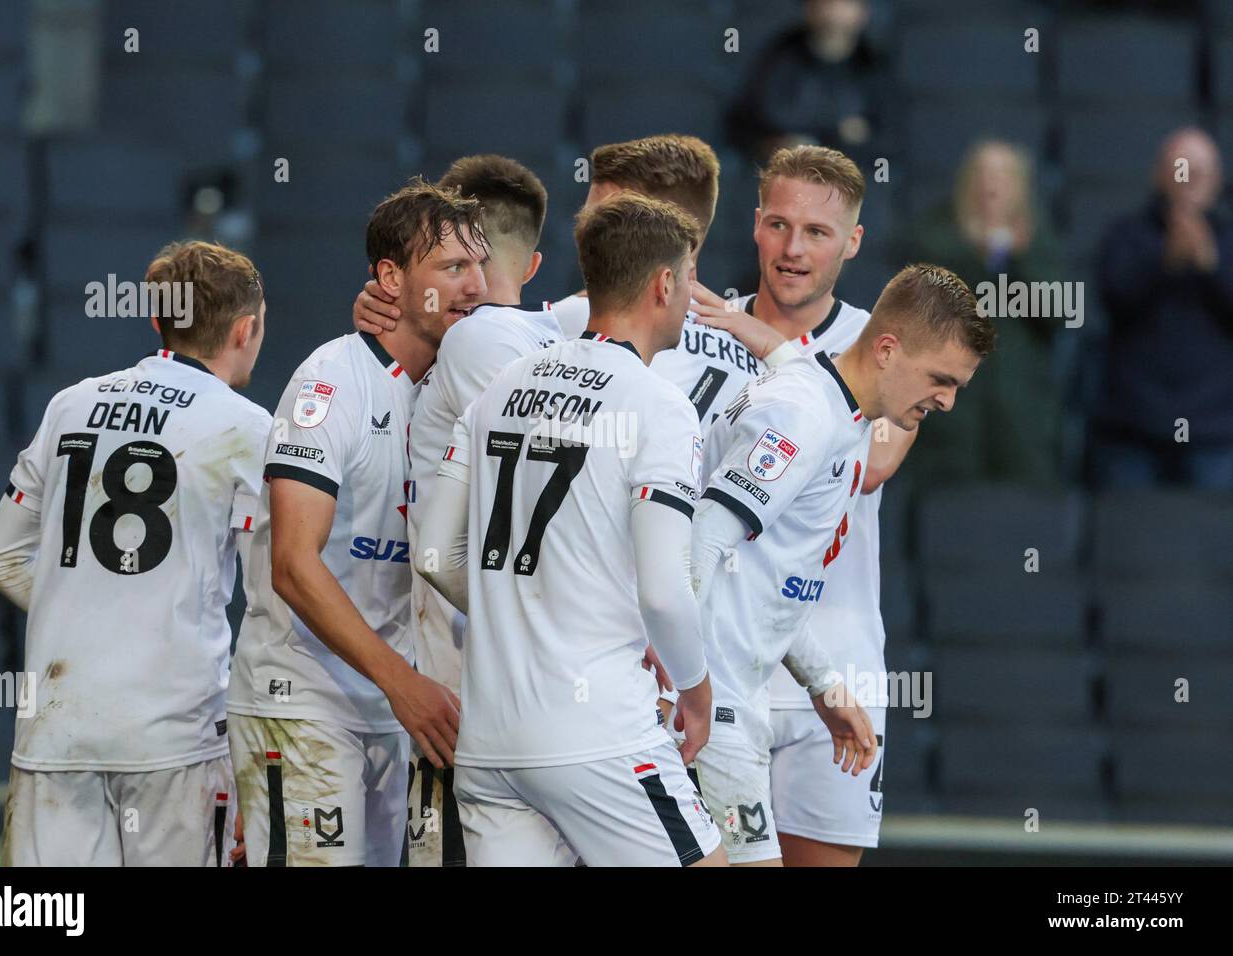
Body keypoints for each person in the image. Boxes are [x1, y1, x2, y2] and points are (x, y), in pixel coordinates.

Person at [417, 194, 727, 867]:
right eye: (689, 277)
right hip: (598, 734)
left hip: (492, 742)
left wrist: (520, 615)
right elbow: (666, 592)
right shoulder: (659, 405)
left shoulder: (499, 386)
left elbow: (435, 555)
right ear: (664, 283)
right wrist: (698, 692)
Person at [689, 263, 996, 866]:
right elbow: (702, 538)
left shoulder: (840, 414)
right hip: (713, 702)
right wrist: (681, 680)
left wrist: (824, 684)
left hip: (731, 694)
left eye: (958, 385)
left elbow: (768, 582)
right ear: (887, 349)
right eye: (941, 379)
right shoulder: (806, 416)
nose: (949, 401)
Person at [0, 240, 271, 866]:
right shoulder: (248, 428)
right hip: (175, 735)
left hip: (56, 732)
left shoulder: (69, 405)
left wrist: (88, 601)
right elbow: (278, 595)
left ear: (157, 320)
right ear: (246, 329)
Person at [225, 180, 486, 866]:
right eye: (453, 267)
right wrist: (405, 683)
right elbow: (292, 565)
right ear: (391, 279)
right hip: (302, 702)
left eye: (480, 266)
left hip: (387, 714)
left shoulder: (452, 395)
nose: (476, 286)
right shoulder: (330, 382)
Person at [402, 154, 556, 867]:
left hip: (467, 686)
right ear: (533, 266)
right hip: (536, 690)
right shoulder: (563, 342)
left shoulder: (481, 338)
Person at [899, 139, 1063, 486]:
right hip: (951, 410)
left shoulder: (1039, 242)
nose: (992, 184)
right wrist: (978, 253)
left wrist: (1016, 258)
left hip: (1020, 408)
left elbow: (1059, 314)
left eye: (1003, 174)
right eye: (984, 174)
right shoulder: (933, 234)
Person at [1094, 126, 1233, 490]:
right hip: (1135, 426)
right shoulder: (1126, 235)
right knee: (1131, 540)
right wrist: (1164, 262)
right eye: (1181, 170)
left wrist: (1211, 266)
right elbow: (1112, 300)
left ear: (1217, 179)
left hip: (1214, 429)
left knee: (1211, 541)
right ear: (1160, 174)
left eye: (1199, 173)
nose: (1190, 182)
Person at [725, 0, 887, 168]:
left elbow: (891, 144)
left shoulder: (877, 68)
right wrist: (771, 145)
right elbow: (742, 125)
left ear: (863, 12)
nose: (834, 13)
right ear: (809, 8)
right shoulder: (777, 60)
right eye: (826, 3)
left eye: (845, 4)